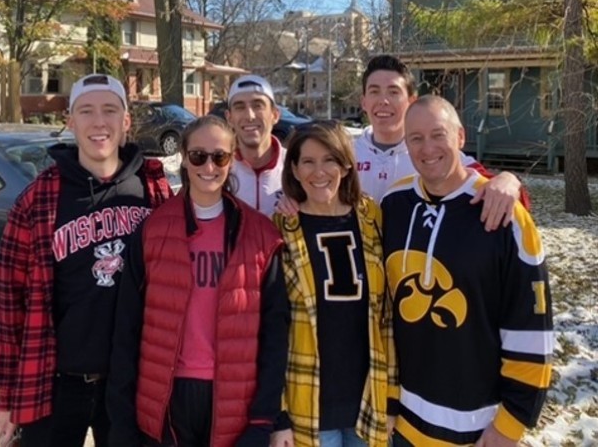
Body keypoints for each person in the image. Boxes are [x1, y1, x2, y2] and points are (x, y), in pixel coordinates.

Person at [0, 73, 172, 447]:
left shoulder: (154, 192)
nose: (98, 121)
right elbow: (9, 306)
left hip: (131, 381)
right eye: (86, 111)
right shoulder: (37, 200)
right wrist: (7, 395)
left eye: (109, 110)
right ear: (70, 121)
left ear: (125, 121)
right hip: (56, 382)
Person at [106, 115, 290, 447]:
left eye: (219, 156)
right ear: (184, 159)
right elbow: (127, 329)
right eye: (198, 156)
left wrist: (266, 416)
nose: (209, 166)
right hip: (167, 399)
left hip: (234, 399)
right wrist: (122, 418)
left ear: (232, 160)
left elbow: (275, 334)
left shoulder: (261, 235)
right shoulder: (153, 230)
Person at [382, 95, 552, 446]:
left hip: (478, 428)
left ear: (461, 137)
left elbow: (532, 330)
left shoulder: (504, 214)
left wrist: (512, 422)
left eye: (438, 134)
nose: (427, 148)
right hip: (402, 423)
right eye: (415, 138)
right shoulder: (393, 205)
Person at [280, 55, 525, 231]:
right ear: (363, 102)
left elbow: (500, 192)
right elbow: (307, 186)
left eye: (393, 92)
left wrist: (509, 181)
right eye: (374, 92)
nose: (383, 101)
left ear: (411, 100)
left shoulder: (432, 155)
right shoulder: (347, 152)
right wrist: (290, 200)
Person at [272, 121, 392, 447]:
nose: (319, 171)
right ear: (294, 169)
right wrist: (278, 413)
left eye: (329, 160)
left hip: (369, 401)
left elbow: (388, 317)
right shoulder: (282, 229)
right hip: (308, 404)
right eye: (307, 161)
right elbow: (272, 328)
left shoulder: (372, 219)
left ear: (346, 165)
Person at [225, 74, 285, 216]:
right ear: (229, 118)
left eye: (258, 105)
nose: (250, 116)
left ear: (275, 115)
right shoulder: (217, 168)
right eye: (240, 107)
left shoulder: (296, 167)